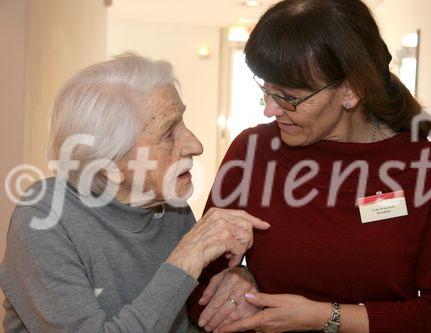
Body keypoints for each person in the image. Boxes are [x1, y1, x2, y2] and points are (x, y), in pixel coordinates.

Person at [187, 0, 431, 332]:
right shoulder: (253, 151)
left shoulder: (429, 170)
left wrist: (325, 317)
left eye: (289, 97)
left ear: (351, 89)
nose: (270, 110)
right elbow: (194, 286)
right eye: (265, 91)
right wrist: (238, 280)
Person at [0, 54, 270, 332]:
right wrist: (186, 258)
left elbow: (188, 317)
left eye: (183, 123)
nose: (195, 145)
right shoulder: (44, 218)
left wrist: (238, 280)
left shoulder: (170, 208)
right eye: (168, 133)